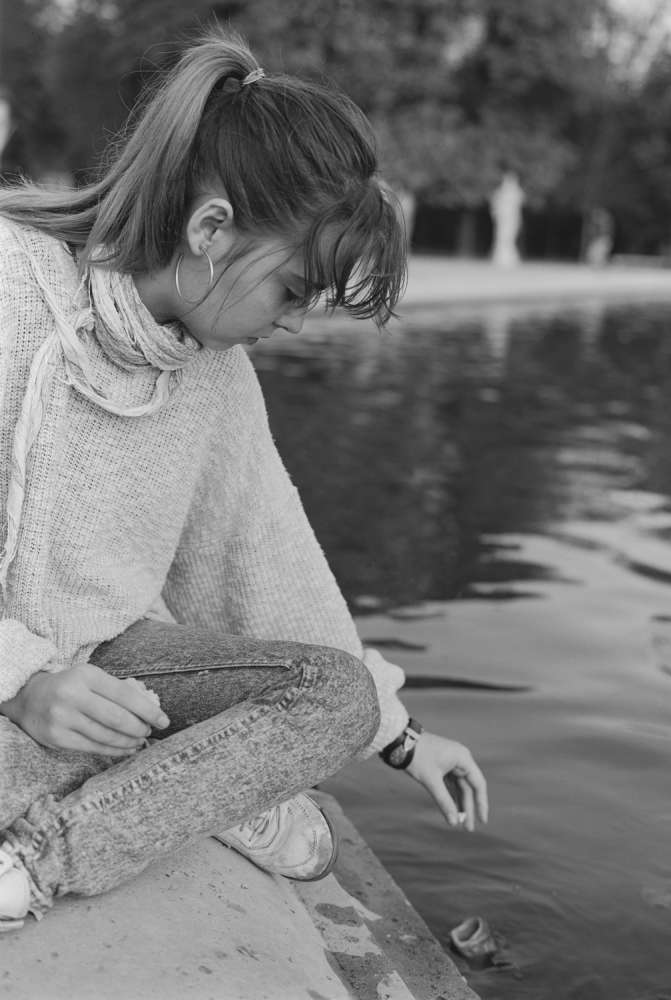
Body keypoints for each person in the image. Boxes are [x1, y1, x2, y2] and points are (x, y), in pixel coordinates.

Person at [0, 26, 488, 930]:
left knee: (331, 697)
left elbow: (267, 559)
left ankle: (37, 859)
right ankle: (171, 793)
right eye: (294, 289)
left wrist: (399, 736)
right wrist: (23, 679)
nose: (296, 321)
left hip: (112, 669)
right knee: (284, 833)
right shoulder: (9, 288)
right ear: (211, 229)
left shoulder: (215, 373)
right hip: (18, 681)